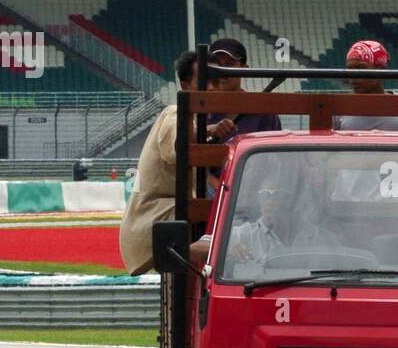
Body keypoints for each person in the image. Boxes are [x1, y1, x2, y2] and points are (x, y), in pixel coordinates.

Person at [119, 50, 210, 275]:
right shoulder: (175, 113)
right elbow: (178, 145)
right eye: (206, 81)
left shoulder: (191, 118)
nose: (212, 87)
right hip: (155, 228)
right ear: (186, 85)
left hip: (159, 225)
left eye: (216, 81)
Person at [333, 40, 398, 132]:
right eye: (350, 69)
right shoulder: (339, 109)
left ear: (381, 70)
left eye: (361, 68)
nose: (353, 76)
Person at [204, 38, 282, 142]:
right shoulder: (200, 107)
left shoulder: (264, 114)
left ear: (244, 69)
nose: (222, 71)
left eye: (229, 64)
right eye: (217, 65)